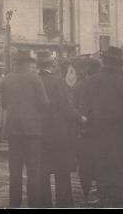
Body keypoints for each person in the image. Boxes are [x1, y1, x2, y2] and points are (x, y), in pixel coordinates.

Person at [78, 46, 123, 208]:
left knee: (101, 173)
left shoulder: (91, 81)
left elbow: (83, 110)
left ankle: (103, 200)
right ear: (118, 63)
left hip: (97, 135)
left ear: (104, 62)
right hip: (120, 137)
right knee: (118, 175)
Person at [37, 51, 87, 208]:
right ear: (51, 64)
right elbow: (66, 106)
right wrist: (81, 118)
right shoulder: (56, 81)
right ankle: (64, 203)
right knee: (61, 171)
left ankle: (44, 203)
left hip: (39, 131)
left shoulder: (35, 80)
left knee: (43, 171)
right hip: (57, 131)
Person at [1, 50, 50, 208]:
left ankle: (14, 204)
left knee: (14, 170)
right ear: (28, 63)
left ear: (15, 62)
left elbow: (3, 104)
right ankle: (33, 204)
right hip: (32, 130)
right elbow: (44, 103)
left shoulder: (7, 79)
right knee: (33, 170)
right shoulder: (35, 79)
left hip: (13, 129)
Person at [72, 55, 101, 205]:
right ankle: (98, 191)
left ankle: (87, 192)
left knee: (84, 165)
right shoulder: (102, 85)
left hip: (83, 132)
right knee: (99, 162)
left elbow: (73, 108)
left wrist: (80, 121)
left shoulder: (79, 86)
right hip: (100, 132)